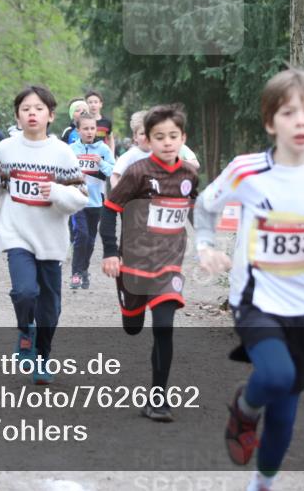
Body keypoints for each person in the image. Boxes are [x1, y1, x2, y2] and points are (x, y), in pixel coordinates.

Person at [194, 69, 304, 491]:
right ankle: (244, 406)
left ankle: (262, 484)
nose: (300, 121)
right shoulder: (246, 171)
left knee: (286, 413)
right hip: (254, 300)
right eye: (288, 112)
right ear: (269, 122)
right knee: (274, 377)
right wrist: (206, 246)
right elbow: (203, 208)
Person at [0, 85, 88, 385]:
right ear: (17, 115)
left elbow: (81, 195)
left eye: (39, 108)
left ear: (51, 115)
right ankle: (24, 329)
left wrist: (55, 191)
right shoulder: (7, 149)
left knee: (50, 305)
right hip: (16, 231)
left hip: (51, 238)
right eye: (26, 108)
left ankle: (42, 357)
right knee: (25, 291)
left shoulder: (62, 153)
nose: (32, 113)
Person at [100, 104, 199, 422]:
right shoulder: (137, 172)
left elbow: (192, 209)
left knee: (164, 329)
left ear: (183, 138)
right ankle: (127, 303)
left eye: (173, 136)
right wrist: (110, 252)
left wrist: (210, 244)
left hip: (169, 264)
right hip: (134, 263)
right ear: (148, 140)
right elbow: (109, 209)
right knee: (133, 327)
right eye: (160, 137)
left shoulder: (189, 174)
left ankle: (158, 399)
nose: (167, 142)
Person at [68, 112, 115, 290]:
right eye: (85, 128)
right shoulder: (72, 150)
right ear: (78, 130)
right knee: (81, 235)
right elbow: (63, 171)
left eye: (92, 128)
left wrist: (100, 163)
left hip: (96, 202)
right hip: (77, 201)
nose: (89, 132)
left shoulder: (103, 150)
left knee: (90, 240)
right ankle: (75, 273)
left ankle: (84, 270)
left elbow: (113, 171)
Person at [111, 109, 200, 188]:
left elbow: (192, 165)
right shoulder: (130, 155)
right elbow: (115, 176)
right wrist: (118, 198)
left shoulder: (162, 151)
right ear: (135, 136)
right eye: (142, 134)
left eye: (149, 133)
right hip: (137, 202)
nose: (146, 137)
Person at [85, 89, 115, 153]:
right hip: (86, 156)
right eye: (90, 102)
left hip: (102, 156)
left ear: (100, 104)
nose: (93, 105)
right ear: (86, 104)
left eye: (96, 102)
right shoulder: (83, 122)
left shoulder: (107, 122)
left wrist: (111, 154)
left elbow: (110, 139)